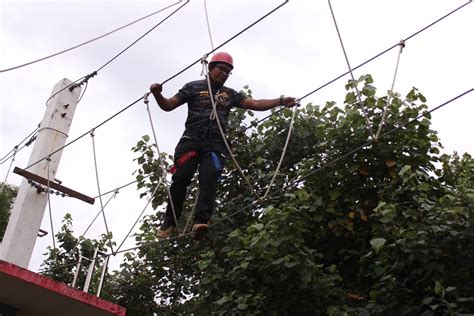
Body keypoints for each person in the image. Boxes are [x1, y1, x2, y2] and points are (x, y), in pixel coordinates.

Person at [149, 52, 297, 240]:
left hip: (215, 143)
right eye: (222, 69)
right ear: (210, 68)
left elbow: (256, 103)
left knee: (209, 177)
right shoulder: (193, 87)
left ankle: (200, 222)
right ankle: (169, 223)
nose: (225, 74)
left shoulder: (229, 94)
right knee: (181, 179)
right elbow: (168, 105)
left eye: (228, 71)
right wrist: (157, 94)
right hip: (191, 140)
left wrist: (281, 100)